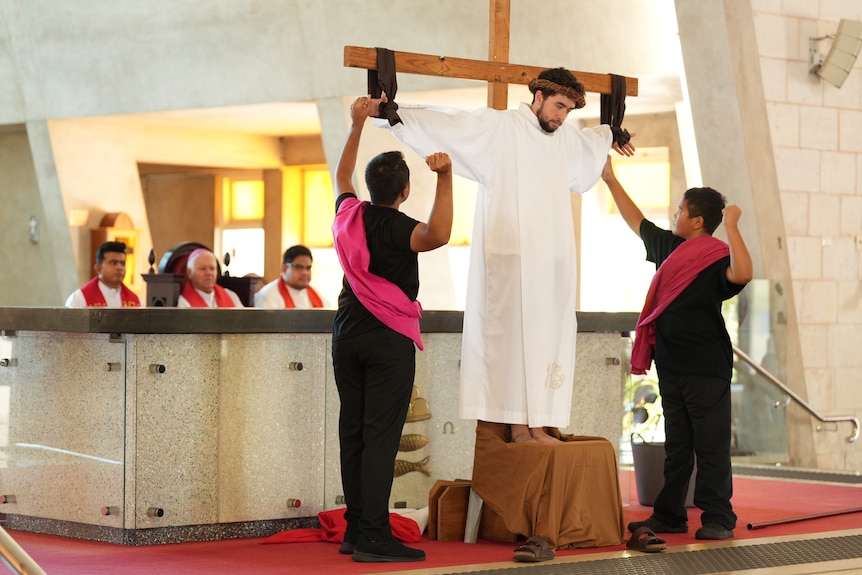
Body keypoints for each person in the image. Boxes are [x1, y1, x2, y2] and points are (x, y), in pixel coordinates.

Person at [371, 67, 635, 443]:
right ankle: (517, 425)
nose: (562, 115)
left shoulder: (564, 139)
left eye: (569, 110)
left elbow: (591, 144)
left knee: (548, 334)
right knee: (512, 337)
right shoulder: (501, 128)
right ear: (538, 97)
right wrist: (395, 115)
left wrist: (613, 133)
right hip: (509, 256)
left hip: (552, 260)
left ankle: (540, 421)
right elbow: (452, 125)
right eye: (558, 105)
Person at [600, 157, 753, 541]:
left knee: (711, 444)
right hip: (671, 364)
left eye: (681, 210)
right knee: (679, 445)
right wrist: (609, 179)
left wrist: (732, 226)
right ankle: (670, 514)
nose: (674, 214)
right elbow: (637, 222)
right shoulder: (671, 247)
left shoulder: (717, 256)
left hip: (706, 365)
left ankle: (718, 517)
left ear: (698, 220)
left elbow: (743, 273)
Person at [331, 96, 452, 562]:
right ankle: (376, 538)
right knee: (381, 436)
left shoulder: (348, 217)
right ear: (404, 192)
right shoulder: (403, 228)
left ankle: (355, 530)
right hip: (387, 339)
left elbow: (342, 176)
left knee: (354, 431)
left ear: (370, 187)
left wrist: (357, 123)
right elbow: (439, 235)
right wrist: (444, 177)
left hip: (347, 333)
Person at [65, 241, 141, 308]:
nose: (119, 267)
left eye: (122, 263)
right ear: (98, 269)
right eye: (113, 263)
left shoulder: (136, 301)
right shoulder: (80, 299)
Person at [254, 245, 330, 308]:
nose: (305, 273)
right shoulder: (269, 295)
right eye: (298, 267)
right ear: (284, 268)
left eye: (308, 268)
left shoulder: (316, 293)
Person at [177, 248, 244, 308]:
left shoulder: (229, 295)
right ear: (189, 272)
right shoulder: (184, 302)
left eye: (212, 268)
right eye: (203, 269)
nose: (209, 273)